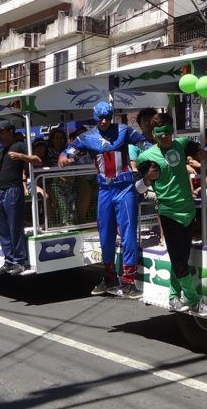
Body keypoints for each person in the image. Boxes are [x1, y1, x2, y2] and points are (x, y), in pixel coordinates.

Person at [59, 101, 151, 298]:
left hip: (124, 187)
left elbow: (145, 144)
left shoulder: (124, 130)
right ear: (94, 117)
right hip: (104, 189)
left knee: (127, 234)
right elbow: (67, 152)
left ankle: (128, 281)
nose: (104, 121)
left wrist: (159, 155)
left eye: (108, 117)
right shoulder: (87, 136)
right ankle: (109, 277)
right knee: (106, 234)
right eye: (100, 117)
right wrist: (64, 158)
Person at [136, 117, 207, 316]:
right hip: (168, 212)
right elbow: (138, 188)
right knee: (179, 260)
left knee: (181, 257)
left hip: (188, 210)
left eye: (167, 131)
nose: (164, 136)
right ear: (153, 134)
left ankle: (173, 296)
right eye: (159, 133)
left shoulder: (182, 144)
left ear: (172, 130)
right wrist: (147, 178)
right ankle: (194, 300)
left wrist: (203, 153)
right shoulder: (147, 156)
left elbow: (201, 149)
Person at [0, 120, 29, 275]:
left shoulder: (20, 145)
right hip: (1, 189)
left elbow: (36, 160)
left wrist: (21, 156)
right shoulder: (1, 149)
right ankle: (9, 261)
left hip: (14, 189)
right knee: (3, 228)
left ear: (10, 131)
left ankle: (20, 261)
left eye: (1, 131)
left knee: (15, 227)